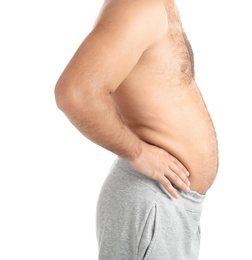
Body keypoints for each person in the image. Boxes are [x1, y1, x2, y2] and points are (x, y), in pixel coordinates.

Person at [55, 0, 218, 259]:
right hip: (152, 201)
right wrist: (137, 152)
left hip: (168, 202)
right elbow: (75, 93)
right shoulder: (137, 5)